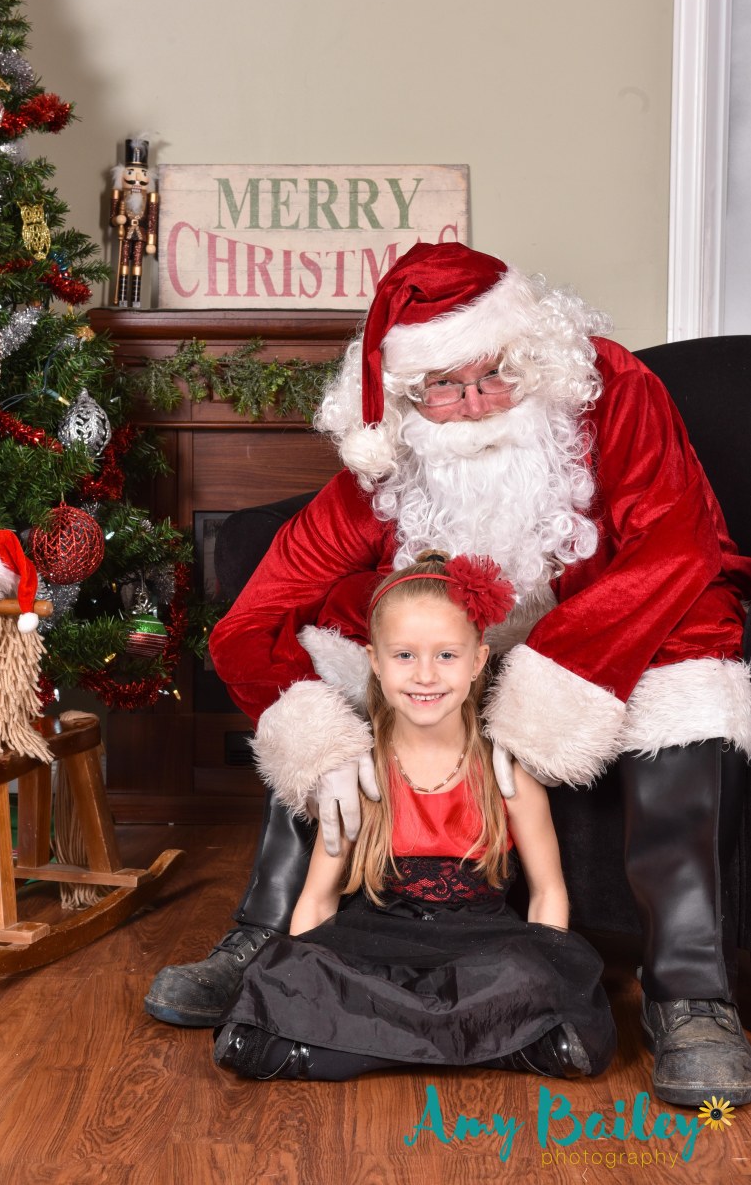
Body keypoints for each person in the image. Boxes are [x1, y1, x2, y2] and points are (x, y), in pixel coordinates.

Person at [145, 241, 751, 1107]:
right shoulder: (391, 456)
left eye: (494, 374)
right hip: (455, 640)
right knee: (327, 650)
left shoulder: (608, 388)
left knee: (688, 679)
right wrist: (316, 742)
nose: (473, 403)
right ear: (403, 396)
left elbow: (676, 541)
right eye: (444, 386)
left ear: (530, 350)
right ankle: (264, 932)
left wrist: (553, 683)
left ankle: (689, 992)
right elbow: (252, 617)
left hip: (619, 617)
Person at [213, 553, 616, 1081]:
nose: (426, 675)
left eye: (447, 655)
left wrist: (551, 973)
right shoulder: (358, 771)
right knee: (285, 975)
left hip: (481, 949)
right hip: (373, 946)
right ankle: (487, 1046)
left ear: (478, 660)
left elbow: (547, 893)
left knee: (532, 975)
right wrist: (296, 987)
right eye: (404, 655)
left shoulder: (509, 773)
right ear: (375, 661)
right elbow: (318, 897)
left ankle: (362, 1047)